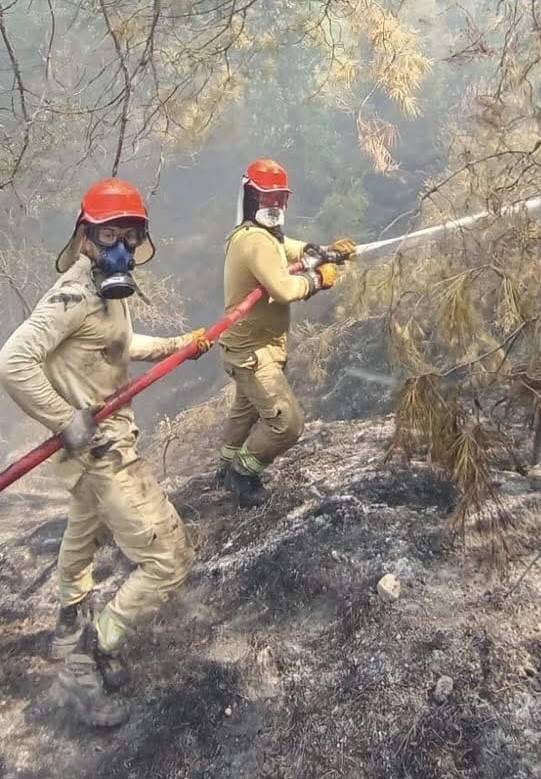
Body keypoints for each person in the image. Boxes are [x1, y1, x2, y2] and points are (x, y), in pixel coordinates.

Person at [0, 178, 210, 727]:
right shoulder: (73, 295)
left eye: (129, 234)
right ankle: (91, 650)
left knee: (82, 538)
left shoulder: (105, 293)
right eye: (108, 234)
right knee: (169, 559)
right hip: (102, 450)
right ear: (85, 237)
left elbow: (115, 345)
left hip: (101, 445)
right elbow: (13, 360)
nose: (119, 246)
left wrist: (175, 345)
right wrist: (63, 417)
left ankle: (69, 630)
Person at [216, 158, 356, 508]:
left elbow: (285, 246)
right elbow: (284, 289)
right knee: (287, 424)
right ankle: (242, 473)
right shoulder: (255, 242)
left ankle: (225, 466)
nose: (274, 206)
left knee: (244, 411)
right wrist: (319, 278)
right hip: (254, 353)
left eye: (280, 198)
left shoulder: (253, 236)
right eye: (267, 199)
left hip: (248, 346)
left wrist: (319, 252)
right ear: (250, 198)